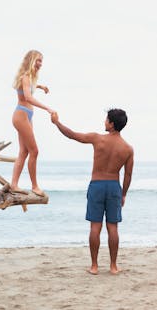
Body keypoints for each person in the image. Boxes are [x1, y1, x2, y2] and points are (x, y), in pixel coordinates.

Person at [51, 109, 134, 275]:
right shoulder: (127, 149)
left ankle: (94, 266)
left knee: (95, 226)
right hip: (113, 187)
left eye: (106, 119)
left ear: (111, 123)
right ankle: (113, 266)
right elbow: (128, 175)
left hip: (97, 185)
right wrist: (123, 194)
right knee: (113, 227)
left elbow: (72, 135)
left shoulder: (98, 139)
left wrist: (57, 123)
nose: (104, 121)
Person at [11, 50, 54, 197]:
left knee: (24, 152)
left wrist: (41, 87)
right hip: (21, 115)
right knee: (34, 151)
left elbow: (28, 88)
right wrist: (47, 107)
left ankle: (14, 185)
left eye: (41, 61)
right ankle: (35, 186)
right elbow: (28, 97)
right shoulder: (26, 77)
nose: (40, 64)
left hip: (26, 116)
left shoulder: (29, 78)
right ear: (31, 61)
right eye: (38, 61)